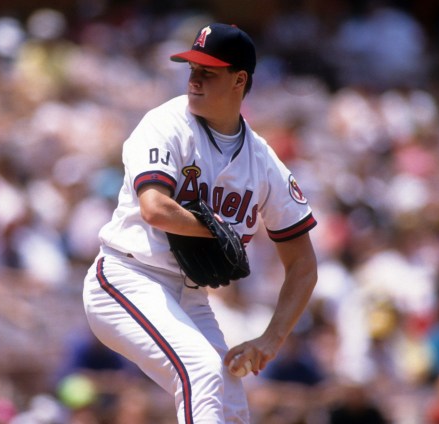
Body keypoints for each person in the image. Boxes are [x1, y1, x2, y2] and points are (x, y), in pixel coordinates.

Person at [83, 22, 319, 423]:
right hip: (128, 277)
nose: (193, 79)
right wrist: (214, 230)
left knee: (232, 406)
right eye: (191, 68)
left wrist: (270, 339)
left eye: (207, 72)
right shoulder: (167, 124)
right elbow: (155, 207)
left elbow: (303, 265)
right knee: (202, 372)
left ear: (239, 80)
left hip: (191, 296)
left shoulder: (262, 162)